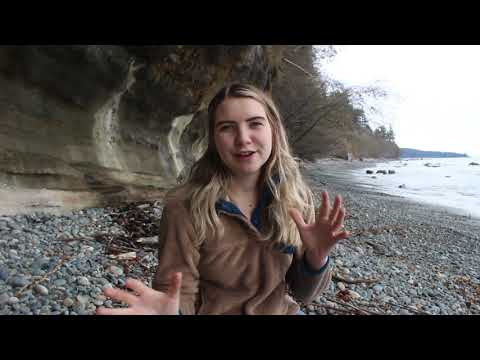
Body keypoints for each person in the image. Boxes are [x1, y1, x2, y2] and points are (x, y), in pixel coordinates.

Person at [96, 83, 350, 315]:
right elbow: (176, 291)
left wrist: (316, 258)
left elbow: (303, 294)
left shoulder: (295, 197)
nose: (243, 138)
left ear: (273, 129)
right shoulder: (185, 205)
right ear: (214, 139)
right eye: (227, 127)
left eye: (255, 123)